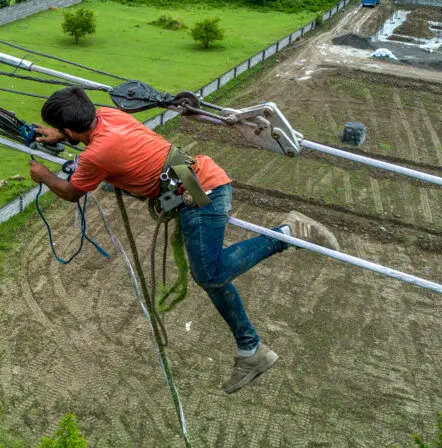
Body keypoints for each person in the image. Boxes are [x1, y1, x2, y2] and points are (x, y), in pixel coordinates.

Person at [28, 87, 338, 394]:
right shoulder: (108, 115)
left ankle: (287, 233)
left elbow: (70, 193)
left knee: (210, 273)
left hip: (200, 194)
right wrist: (62, 136)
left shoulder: (96, 155)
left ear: (70, 129)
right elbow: (96, 144)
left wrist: (44, 175)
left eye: (61, 130)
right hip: (192, 183)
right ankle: (250, 349)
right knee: (213, 276)